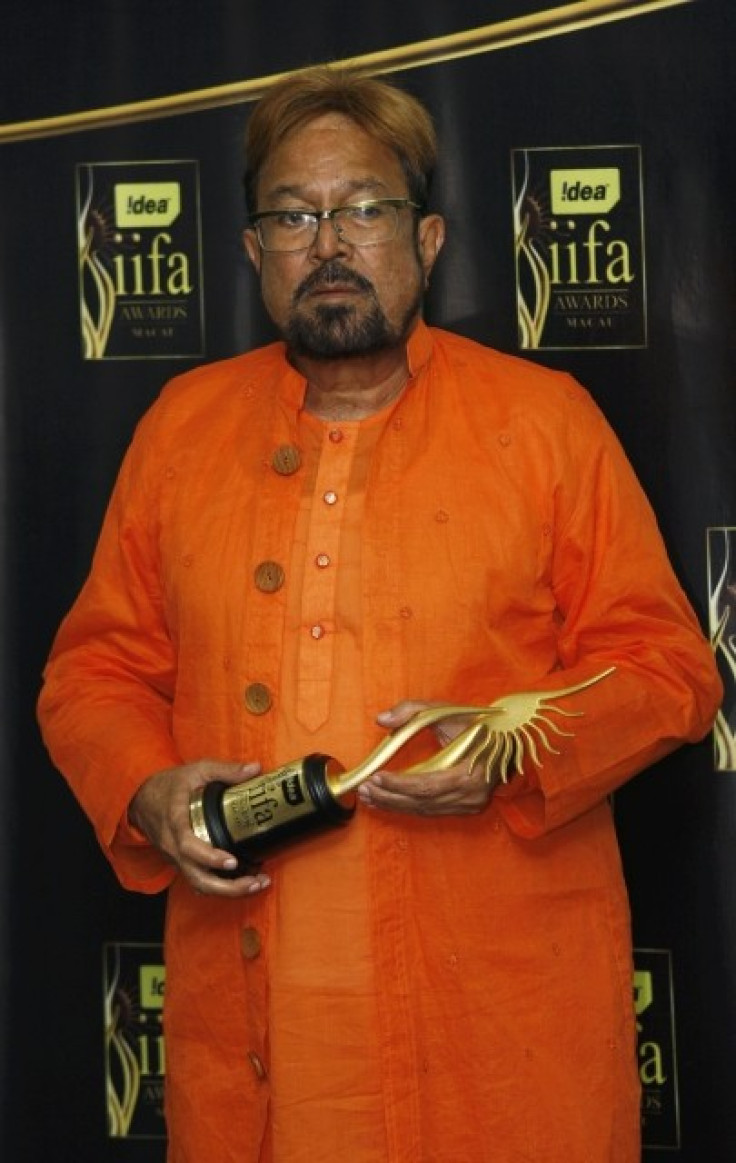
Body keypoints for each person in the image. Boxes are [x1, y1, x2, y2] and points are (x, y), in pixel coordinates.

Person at [38, 65, 721, 1163]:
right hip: (254, 1016)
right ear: (257, 253)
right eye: (295, 217)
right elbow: (93, 672)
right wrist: (146, 786)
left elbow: (668, 667)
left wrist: (512, 748)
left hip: (490, 1019)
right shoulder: (182, 429)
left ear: (430, 239)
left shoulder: (542, 422)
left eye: (364, 208)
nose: (331, 243)